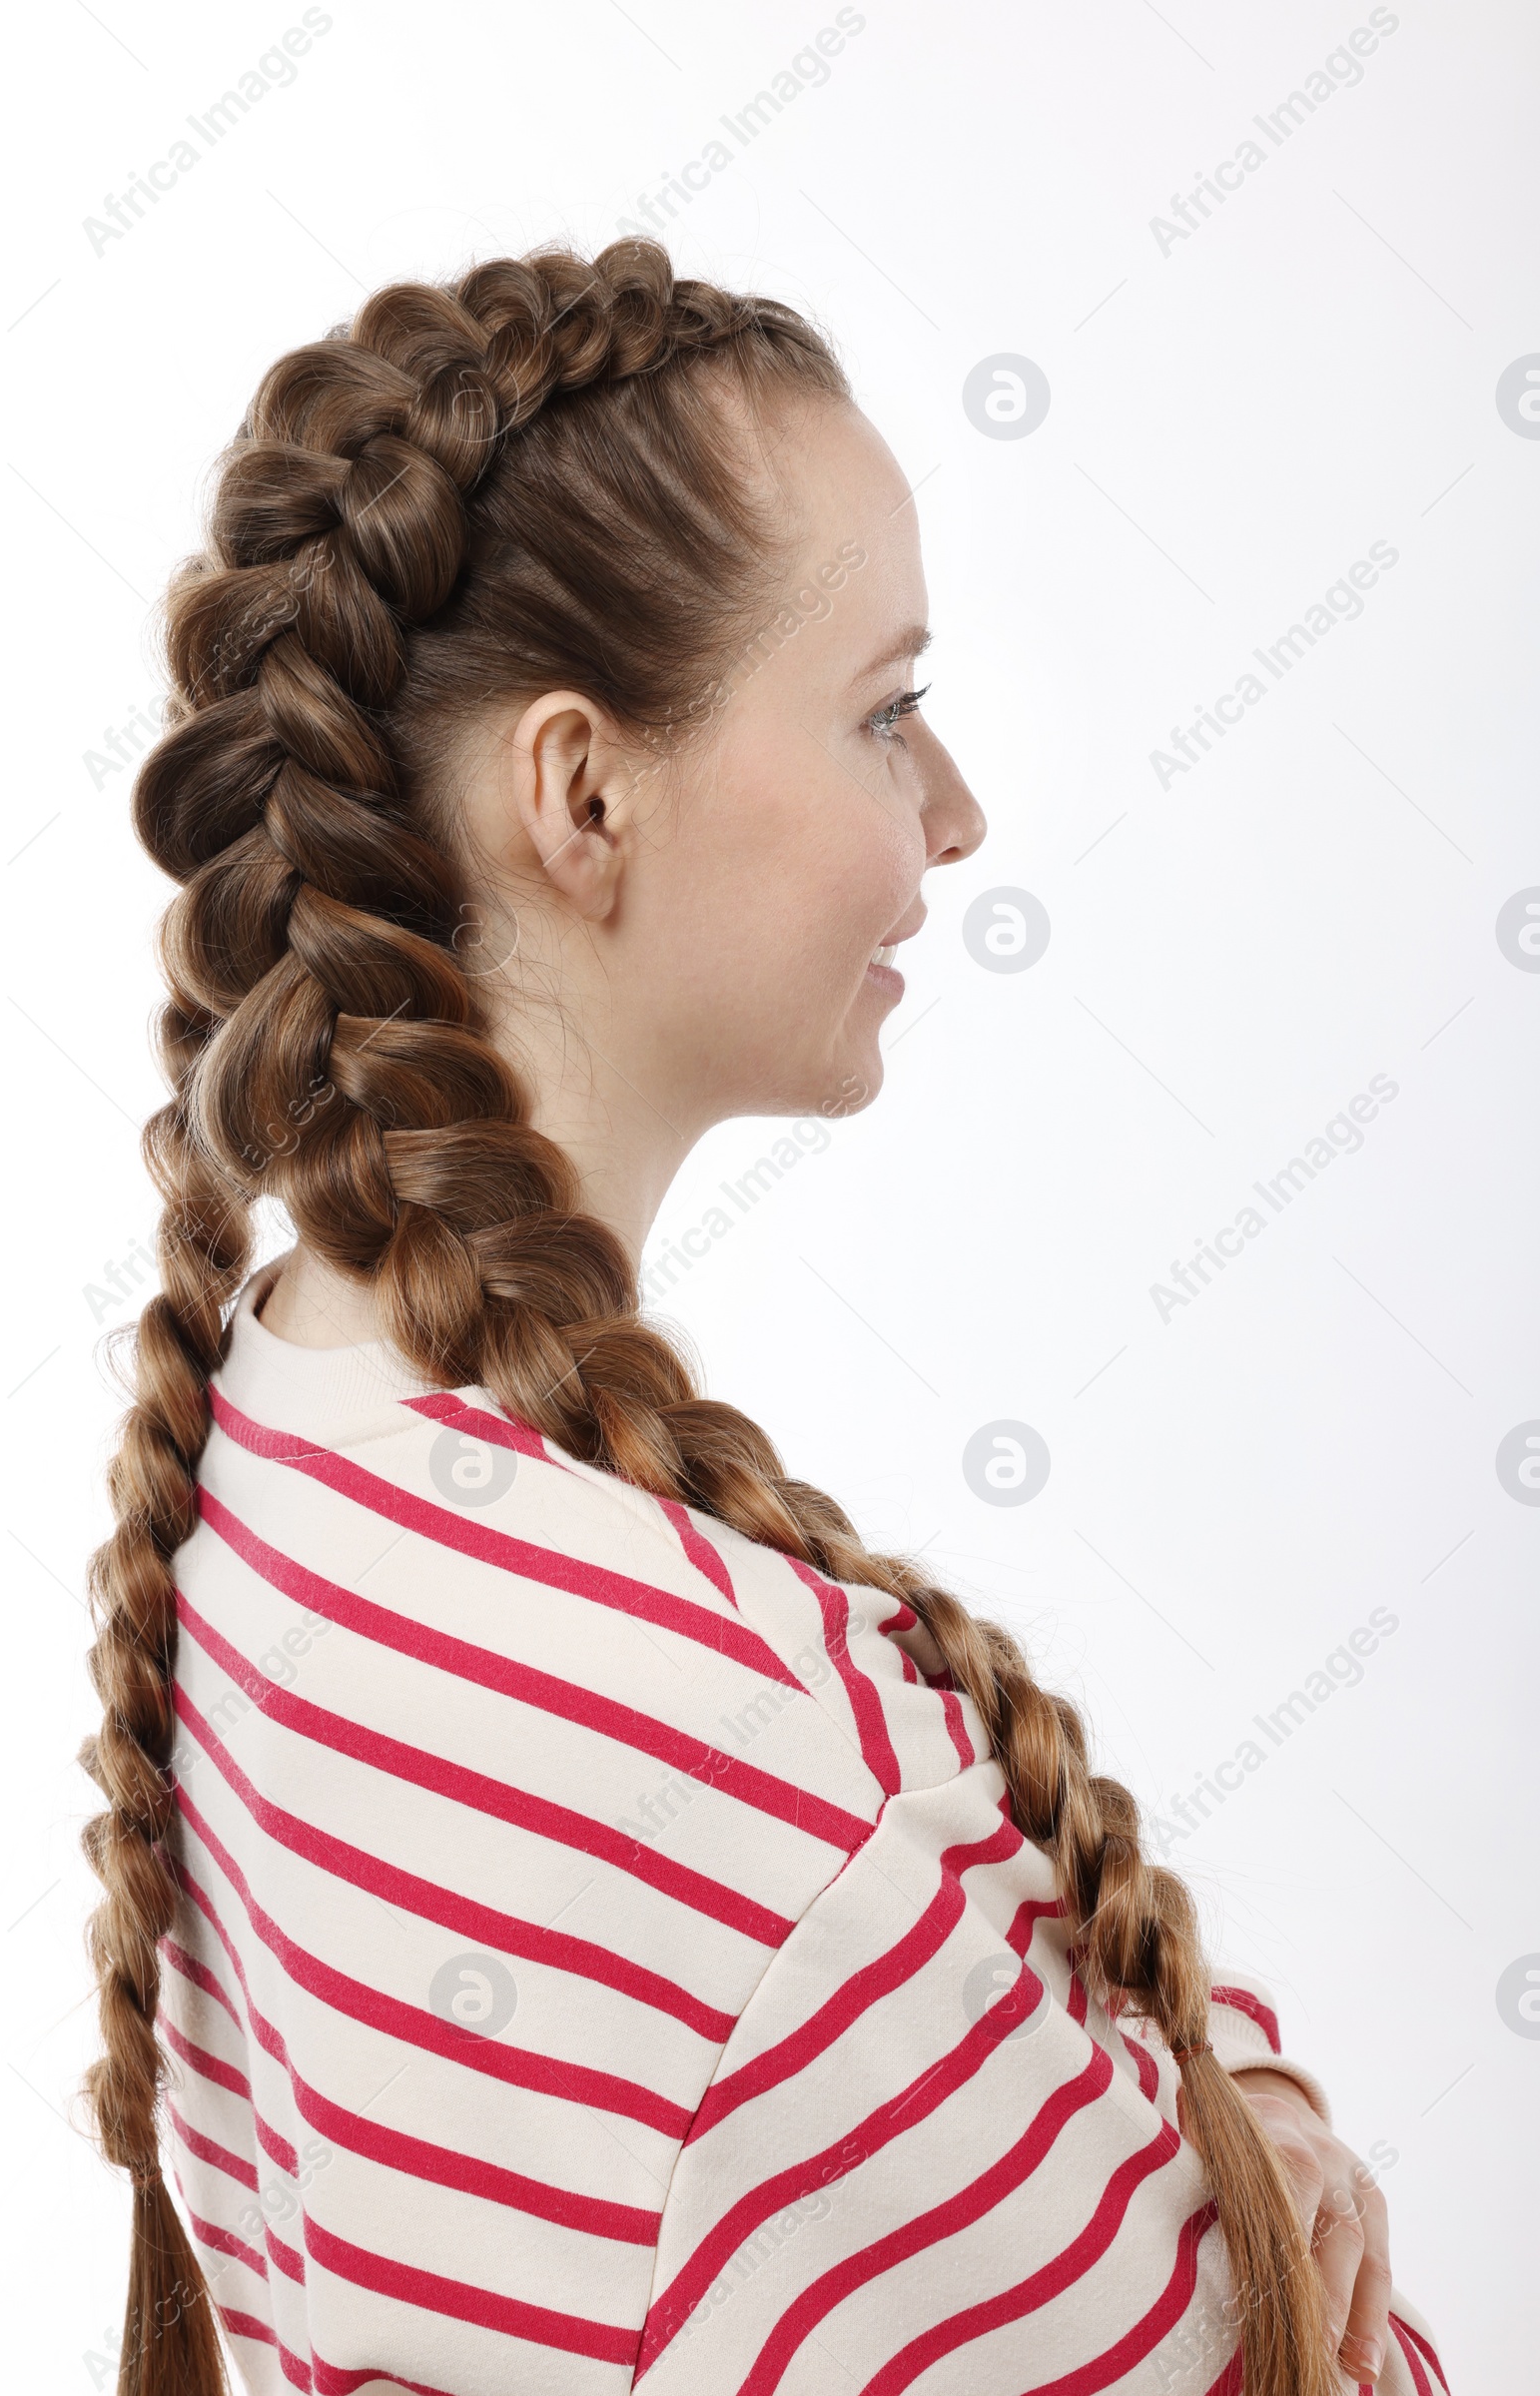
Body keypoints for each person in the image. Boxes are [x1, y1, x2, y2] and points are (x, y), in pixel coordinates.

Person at [78, 241, 1448, 2396]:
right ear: (581, 796)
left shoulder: (285, 1420)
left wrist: (1209, 2103)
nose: (958, 811)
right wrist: (1222, 2134)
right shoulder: (737, 1782)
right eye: (883, 710)